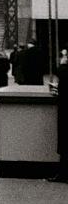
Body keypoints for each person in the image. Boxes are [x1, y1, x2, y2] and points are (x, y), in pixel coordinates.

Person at [48, 52, 68, 184]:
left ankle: (63, 173)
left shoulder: (64, 69)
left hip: (65, 110)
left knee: (65, 141)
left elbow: (60, 72)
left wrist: (63, 63)